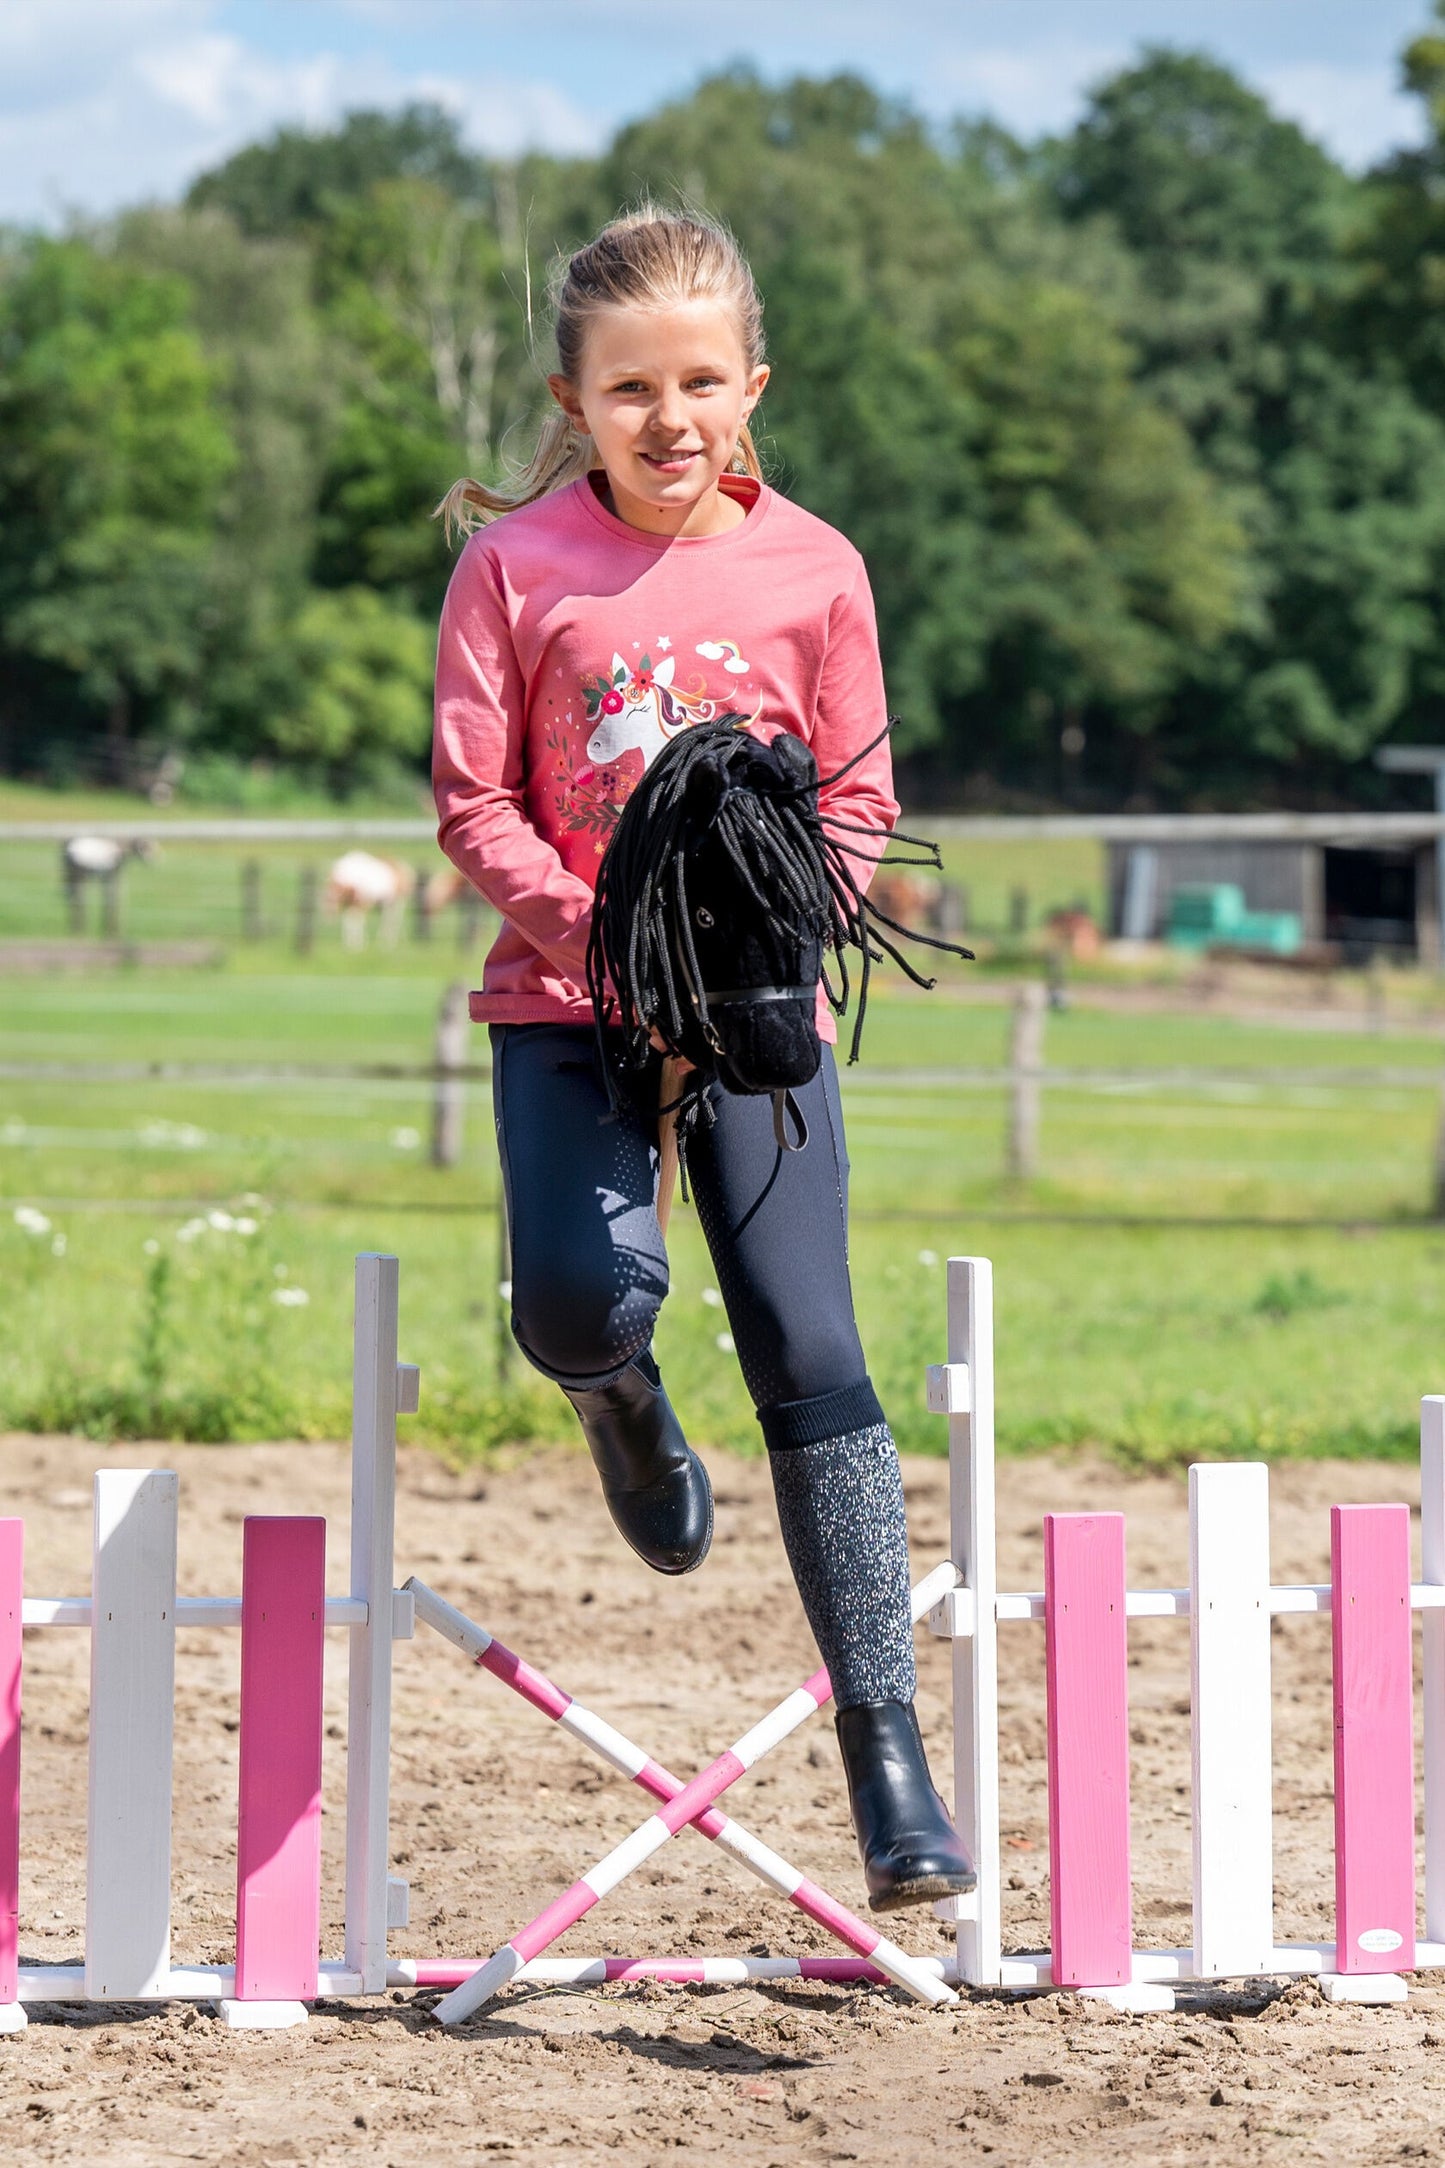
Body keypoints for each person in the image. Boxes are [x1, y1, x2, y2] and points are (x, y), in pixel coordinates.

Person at [432, 206, 973, 1914]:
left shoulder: (819, 569)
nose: (667, 419)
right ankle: (617, 1402)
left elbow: (860, 799)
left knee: (811, 1345)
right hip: (570, 997)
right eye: (628, 390)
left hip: (753, 1011)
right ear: (572, 403)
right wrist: (610, 948)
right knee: (578, 1301)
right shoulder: (513, 567)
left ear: (752, 386)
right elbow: (475, 806)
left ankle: (888, 1754)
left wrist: (769, 938)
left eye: (698, 384)